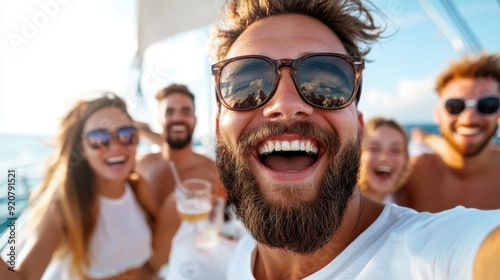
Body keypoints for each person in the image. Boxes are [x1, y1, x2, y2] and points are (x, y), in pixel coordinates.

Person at [209, 0, 500, 279]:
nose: (285, 104)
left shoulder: (431, 254)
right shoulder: (243, 252)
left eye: (327, 85)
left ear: (360, 129)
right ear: (219, 126)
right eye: (246, 86)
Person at [0, 93, 167, 280]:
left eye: (126, 135)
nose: (116, 146)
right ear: (83, 149)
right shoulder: (66, 206)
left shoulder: (138, 187)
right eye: (99, 138)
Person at [135, 83, 232, 279]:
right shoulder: (140, 166)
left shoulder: (214, 173)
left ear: (194, 119)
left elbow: (221, 225)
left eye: (185, 111)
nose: (177, 117)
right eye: (169, 112)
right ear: (159, 119)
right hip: (138, 267)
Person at [394, 53, 500, 212]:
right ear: (437, 114)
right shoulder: (411, 174)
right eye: (455, 106)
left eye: (487, 105)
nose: (469, 119)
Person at [358, 117, 409, 203]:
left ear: (405, 158)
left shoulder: (407, 206)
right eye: (374, 149)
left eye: (395, 150)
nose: (384, 157)